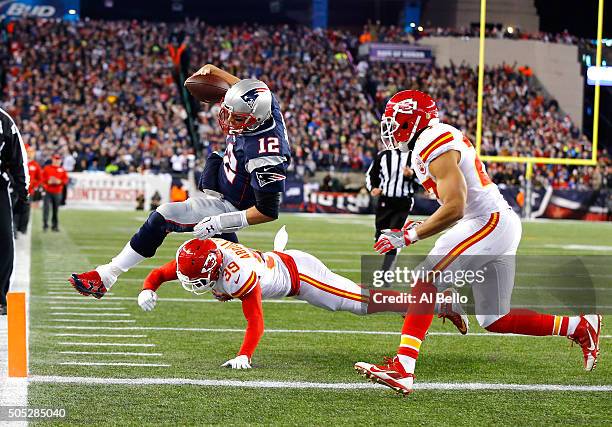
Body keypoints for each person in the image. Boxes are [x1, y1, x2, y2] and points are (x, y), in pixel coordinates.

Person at [354, 90, 602, 395]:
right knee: (495, 318)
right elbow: (454, 203)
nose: (390, 128)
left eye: (395, 120)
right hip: (495, 222)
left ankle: (404, 367)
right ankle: (579, 327)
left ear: (412, 118)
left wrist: (410, 235)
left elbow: (456, 206)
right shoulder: (431, 140)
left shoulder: (431, 141)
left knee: (425, 279)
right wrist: (419, 225)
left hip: (488, 222)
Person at [69, 64, 292, 299]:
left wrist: (219, 222)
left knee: (163, 215)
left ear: (256, 119)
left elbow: (268, 210)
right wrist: (215, 71)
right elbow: (242, 88)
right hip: (226, 180)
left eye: (237, 118)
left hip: (234, 205)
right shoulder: (265, 102)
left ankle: (106, 276)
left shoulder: (266, 154)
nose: (228, 120)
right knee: (214, 161)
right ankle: (230, 259)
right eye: (227, 111)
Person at [135, 234, 467, 368]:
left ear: (213, 267)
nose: (191, 283)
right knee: (361, 298)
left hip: (302, 277)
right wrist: (149, 287)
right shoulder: (209, 256)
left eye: (197, 279)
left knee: (362, 303)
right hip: (283, 263)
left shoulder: (237, 274)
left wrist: (244, 356)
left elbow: (256, 321)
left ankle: (439, 304)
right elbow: (165, 272)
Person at [365, 147, 416, 283]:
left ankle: (386, 273)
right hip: (385, 201)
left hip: (403, 201)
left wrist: (412, 174)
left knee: (393, 237)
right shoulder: (384, 155)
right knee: (380, 238)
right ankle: (391, 257)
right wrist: (373, 187)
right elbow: (371, 174)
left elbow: (425, 177)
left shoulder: (414, 155)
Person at [0, 108, 29, 315]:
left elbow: (18, 157)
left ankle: (0, 297)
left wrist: (22, 192)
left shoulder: (3, 120)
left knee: (3, 241)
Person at [13, 144, 41, 235]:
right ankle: (15, 228)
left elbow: (39, 178)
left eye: (30, 152)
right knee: (16, 209)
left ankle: (23, 228)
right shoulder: (19, 162)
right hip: (17, 190)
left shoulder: (35, 165)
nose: (29, 154)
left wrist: (33, 186)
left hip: (29, 191)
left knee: (26, 210)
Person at [41, 154, 69, 232]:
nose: (57, 161)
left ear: (60, 161)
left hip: (57, 192)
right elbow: (42, 178)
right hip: (47, 191)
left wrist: (59, 181)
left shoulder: (62, 169)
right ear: (52, 160)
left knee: (55, 209)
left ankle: (55, 226)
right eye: (55, 159)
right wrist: (48, 181)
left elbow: (66, 179)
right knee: (46, 208)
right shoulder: (47, 168)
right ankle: (45, 225)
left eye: (58, 159)